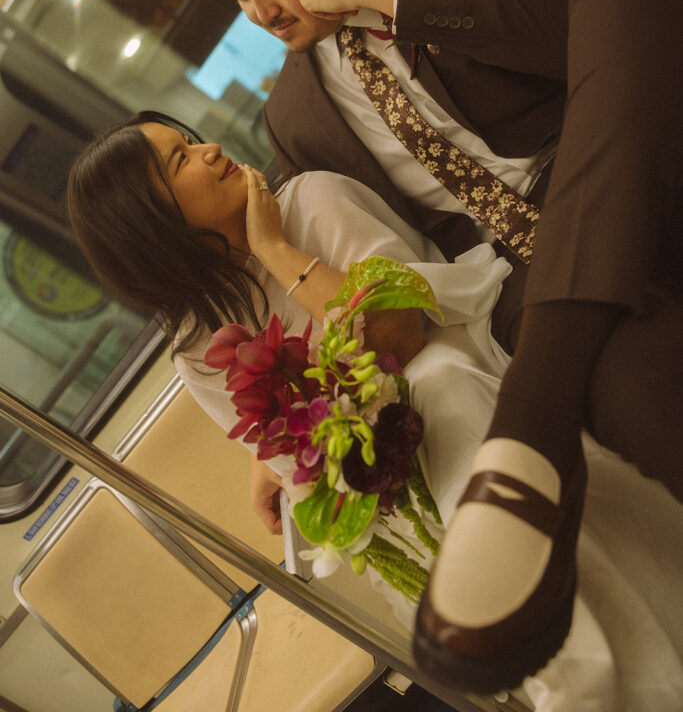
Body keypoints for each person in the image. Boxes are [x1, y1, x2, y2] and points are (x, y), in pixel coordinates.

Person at [187, 0, 683, 690]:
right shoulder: (295, 114)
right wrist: (263, 449)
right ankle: (545, 397)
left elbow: (598, 27)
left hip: (636, 167)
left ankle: (531, 426)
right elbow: (397, 271)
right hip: (522, 273)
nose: (262, 16)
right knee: (633, 385)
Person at [67, 111, 683, 712]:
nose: (207, 151)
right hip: (379, 457)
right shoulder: (197, 352)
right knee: (381, 520)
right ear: (153, 227)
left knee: (438, 400)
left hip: (450, 367)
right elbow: (290, 453)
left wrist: (274, 247)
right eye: (181, 161)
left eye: (190, 142)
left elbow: (402, 335)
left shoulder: (312, 201)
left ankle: (581, 680)